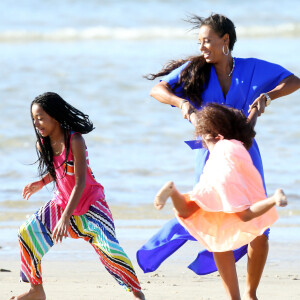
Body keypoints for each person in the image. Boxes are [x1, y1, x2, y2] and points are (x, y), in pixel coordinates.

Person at [137, 13, 300, 300]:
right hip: (210, 157)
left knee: (259, 229)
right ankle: (234, 297)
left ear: (225, 40)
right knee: (218, 224)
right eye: (199, 42)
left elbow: (294, 80)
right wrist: (181, 103)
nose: (202, 47)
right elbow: (157, 89)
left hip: (246, 156)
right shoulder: (195, 69)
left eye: (207, 41)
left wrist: (268, 96)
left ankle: (251, 293)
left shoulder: (252, 69)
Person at [11, 92, 145, 300]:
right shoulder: (43, 143)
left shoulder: (75, 139)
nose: (37, 123)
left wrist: (65, 217)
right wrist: (41, 182)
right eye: (34, 118)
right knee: (26, 233)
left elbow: (80, 181)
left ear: (54, 116)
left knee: (109, 249)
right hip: (62, 202)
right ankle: (36, 290)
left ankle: (136, 292)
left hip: (91, 203)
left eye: (40, 117)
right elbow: (60, 171)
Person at [154, 103, 287, 299]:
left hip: (212, 175)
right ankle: (274, 199)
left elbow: (198, 122)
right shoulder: (239, 140)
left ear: (214, 132)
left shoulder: (213, 140)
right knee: (245, 214)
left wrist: (190, 111)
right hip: (227, 176)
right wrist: (255, 110)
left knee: (188, 211)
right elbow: (250, 124)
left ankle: (173, 192)